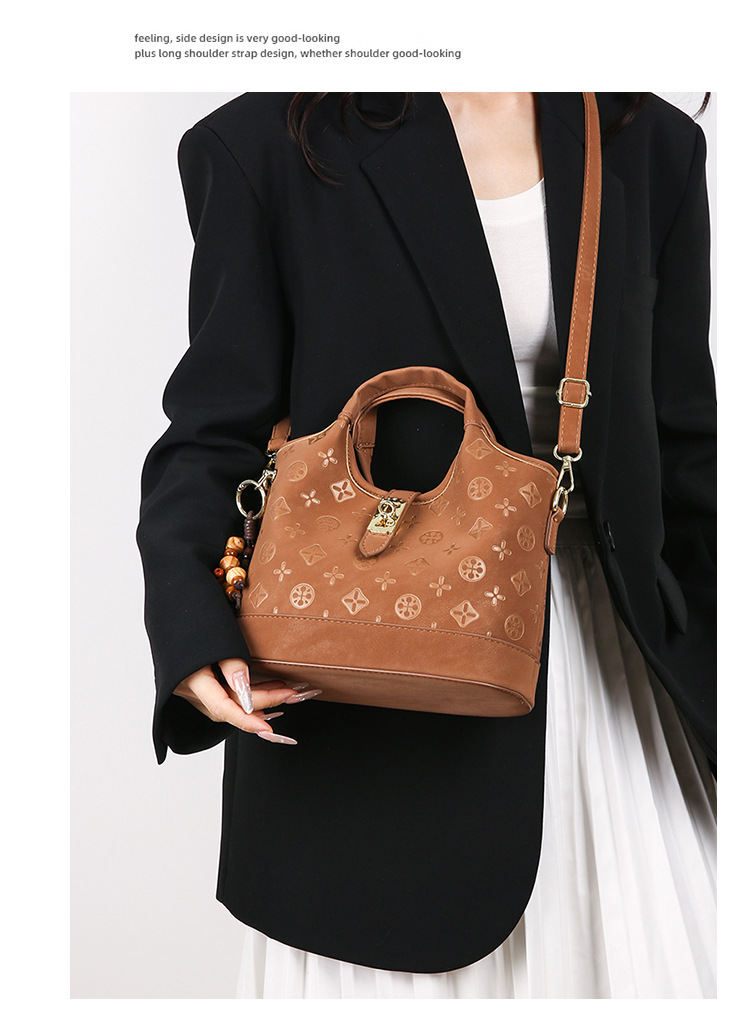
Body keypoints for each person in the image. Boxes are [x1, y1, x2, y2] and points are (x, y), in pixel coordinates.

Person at [136, 92, 716, 999]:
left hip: (612, 679)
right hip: (374, 704)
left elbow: (687, 452)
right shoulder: (266, 143)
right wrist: (189, 625)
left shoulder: (647, 139)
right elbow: (214, 431)